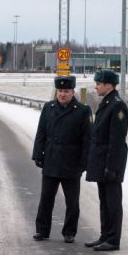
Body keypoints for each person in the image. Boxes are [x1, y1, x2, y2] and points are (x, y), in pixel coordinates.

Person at [31, 75, 91, 243]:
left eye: (66, 91)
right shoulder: (48, 108)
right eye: (60, 91)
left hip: (71, 163)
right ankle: (42, 230)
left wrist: (84, 162)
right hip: (51, 160)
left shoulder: (82, 111)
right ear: (56, 92)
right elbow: (41, 133)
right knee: (46, 199)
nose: (63, 94)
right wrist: (38, 154)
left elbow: (88, 139)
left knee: (72, 202)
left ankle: (69, 232)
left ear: (73, 92)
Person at [85, 69, 128, 252]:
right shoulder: (107, 103)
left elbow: (116, 140)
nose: (96, 86)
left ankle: (113, 240)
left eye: (99, 83)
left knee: (112, 202)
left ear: (109, 85)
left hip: (110, 163)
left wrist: (111, 166)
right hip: (102, 162)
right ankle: (105, 236)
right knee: (104, 201)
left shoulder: (117, 106)